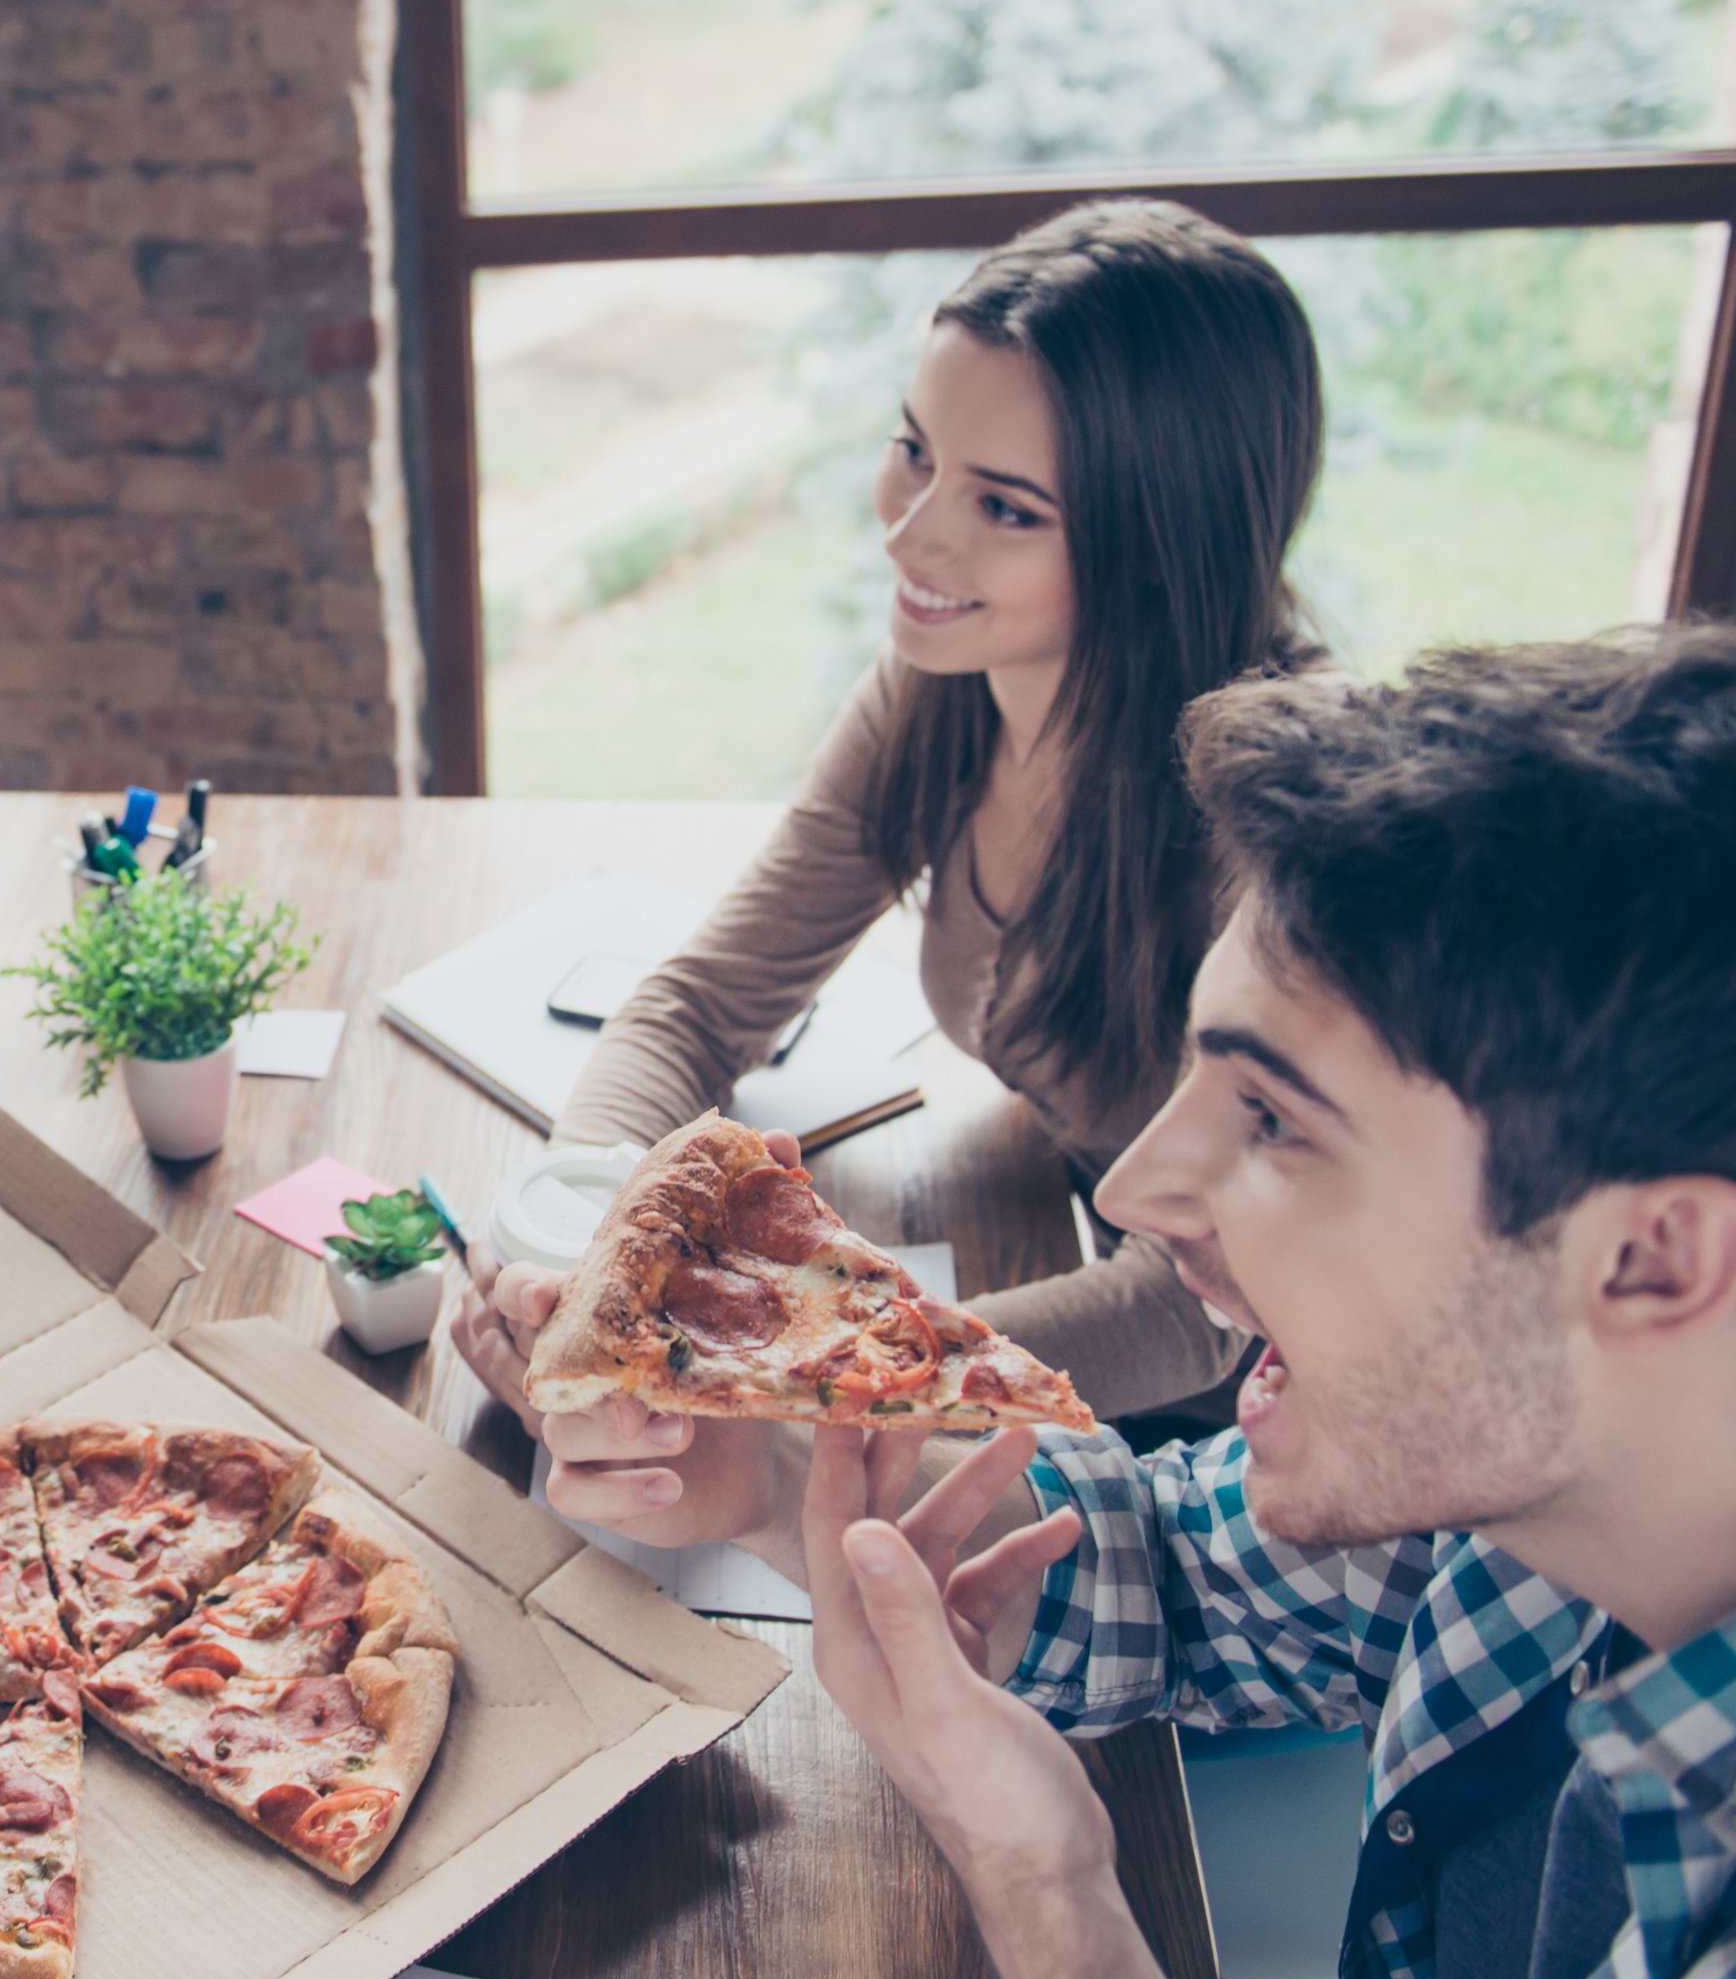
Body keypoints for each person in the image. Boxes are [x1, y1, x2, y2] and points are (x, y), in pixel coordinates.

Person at [523, 630, 1736, 1979]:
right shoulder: (1585, 1469)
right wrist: (772, 1481)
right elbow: (1171, 1563)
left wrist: (1050, 1889)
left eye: (1274, 1119)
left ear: (1654, 1259)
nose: (1145, 1187)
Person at [456, 198, 1324, 1427]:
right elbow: (701, 1003)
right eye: (914, 449)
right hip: (1044, 1248)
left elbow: (1200, 1308)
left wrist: (768, 1376)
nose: (911, 534)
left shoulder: (1278, 823)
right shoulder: (945, 685)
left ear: (1156, 542)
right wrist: (572, 1236)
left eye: (1006, 507)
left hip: (1218, 1409)